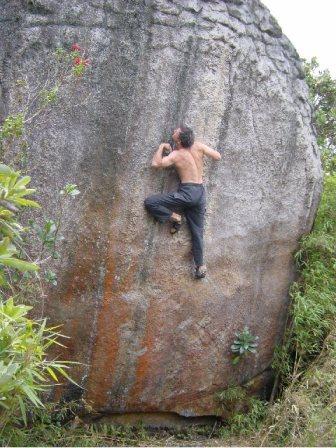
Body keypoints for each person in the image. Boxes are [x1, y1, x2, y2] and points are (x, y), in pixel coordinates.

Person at [144, 125, 221, 279]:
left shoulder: (177, 155)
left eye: (176, 132)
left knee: (150, 202)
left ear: (178, 141)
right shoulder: (198, 146)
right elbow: (217, 156)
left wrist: (161, 147)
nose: (173, 131)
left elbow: (155, 164)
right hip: (200, 193)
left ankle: (175, 217)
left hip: (187, 194)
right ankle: (200, 266)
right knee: (197, 232)